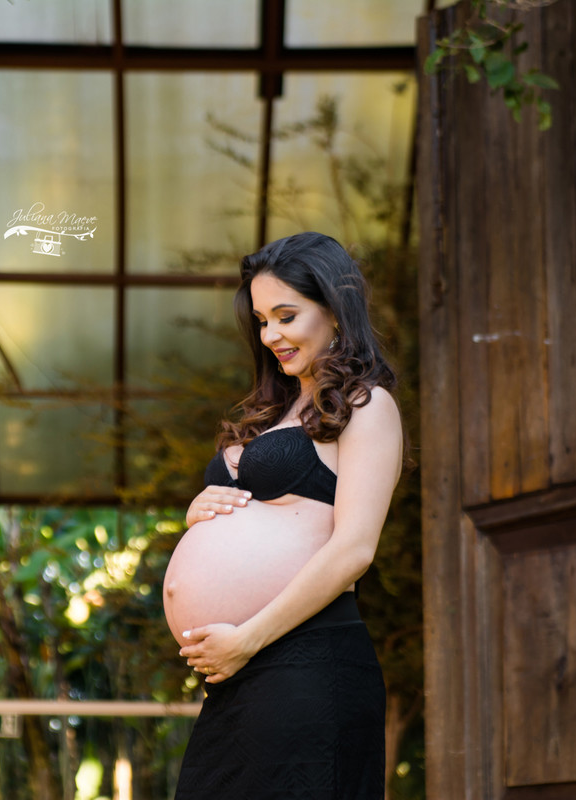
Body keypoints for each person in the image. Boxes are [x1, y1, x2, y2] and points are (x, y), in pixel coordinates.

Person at [163, 231, 403, 798]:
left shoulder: (369, 406)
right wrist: (202, 513)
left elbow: (354, 550)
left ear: (336, 311)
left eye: (286, 315)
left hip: (308, 661)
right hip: (243, 676)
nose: (271, 335)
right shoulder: (277, 410)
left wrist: (247, 638)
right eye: (262, 320)